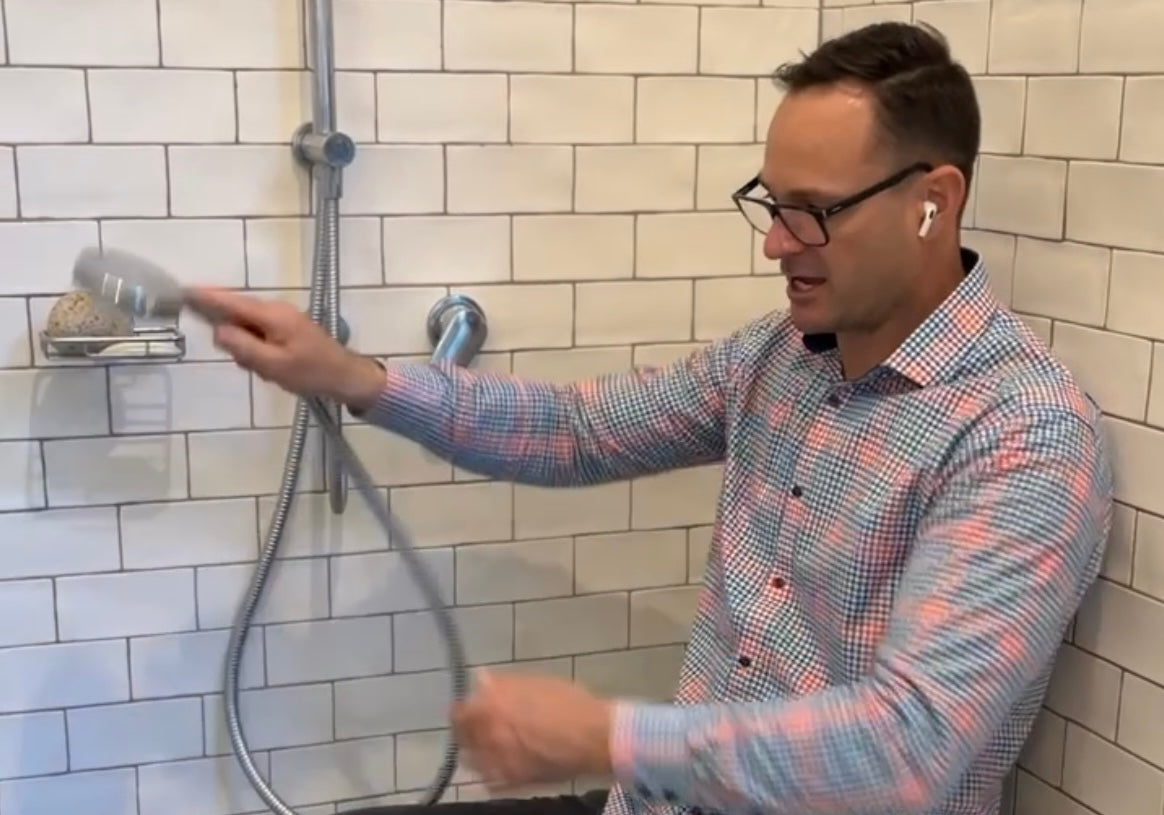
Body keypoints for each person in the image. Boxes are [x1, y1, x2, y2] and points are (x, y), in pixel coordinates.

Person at [190, 20, 1113, 815]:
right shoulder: (777, 358)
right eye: (771, 202)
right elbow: (577, 429)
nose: (775, 242)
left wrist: (608, 736)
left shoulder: (1023, 435)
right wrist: (352, 376)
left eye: (812, 212)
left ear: (932, 202)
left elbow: (908, 745)